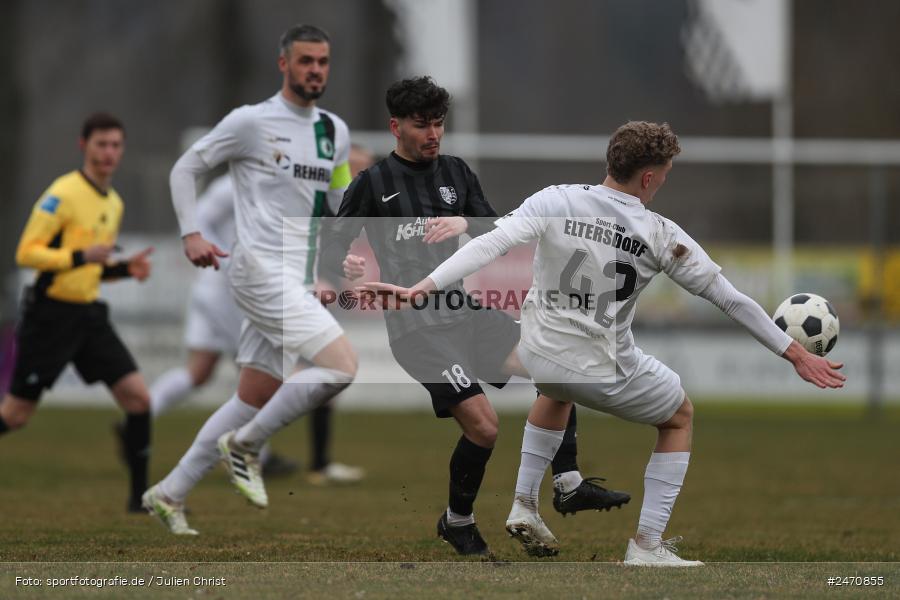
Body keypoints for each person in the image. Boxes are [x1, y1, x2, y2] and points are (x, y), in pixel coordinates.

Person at [358, 120, 846, 564]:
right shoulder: (662, 234)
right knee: (679, 417)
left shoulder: (556, 199)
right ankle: (647, 546)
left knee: (555, 388)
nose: (663, 182)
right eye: (665, 174)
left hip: (539, 356)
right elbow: (730, 300)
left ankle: (525, 503)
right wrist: (793, 353)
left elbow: (489, 244)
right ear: (649, 177)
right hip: (602, 370)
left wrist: (420, 288)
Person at [319, 76, 629, 557]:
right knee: (484, 427)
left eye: (439, 123)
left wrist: (465, 221)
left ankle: (568, 483)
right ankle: (457, 520)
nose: (433, 134)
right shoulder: (372, 184)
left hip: (465, 313)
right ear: (396, 127)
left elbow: (498, 226)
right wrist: (345, 267)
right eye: (422, 125)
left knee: (558, 369)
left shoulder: (456, 172)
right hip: (417, 330)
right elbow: (331, 244)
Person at [142, 24, 358, 535]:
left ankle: (168, 493)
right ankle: (246, 445)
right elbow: (184, 169)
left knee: (251, 398)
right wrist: (191, 233)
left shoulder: (335, 132)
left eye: (323, 62)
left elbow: (337, 208)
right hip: (258, 269)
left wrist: (340, 260)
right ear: (284, 64)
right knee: (342, 367)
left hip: (296, 278)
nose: (315, 70)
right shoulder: (251, 122)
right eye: (305, 61)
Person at [150, 167, 366, 484]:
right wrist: (224, 258)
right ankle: (251, 449)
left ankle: (144, 427)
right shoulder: (234, 184)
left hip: (233, 286)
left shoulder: (288, 183)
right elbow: (199, 213)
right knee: (268, 376)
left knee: (202, 372)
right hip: (235, 288)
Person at [0, 113, 155, 513]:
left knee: (138, 398)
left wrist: (126, 269)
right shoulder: (63, 193)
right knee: (15, 415)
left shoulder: (114, 203)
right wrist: (79, 255)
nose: (109, 153)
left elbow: (92, 269)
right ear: (83, 145)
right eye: (101, 144)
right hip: (50, 318)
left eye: (116, 145)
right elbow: (27, 253)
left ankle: (140, 500)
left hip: (89, 317)